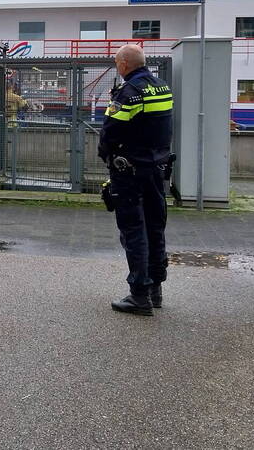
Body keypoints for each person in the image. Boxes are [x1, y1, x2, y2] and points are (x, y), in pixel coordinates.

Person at [98, 44, 174, 316]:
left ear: (123, 65)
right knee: (155, 227)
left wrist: (105, 155)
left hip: (129, 171)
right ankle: (156, 289)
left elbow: (110, 131)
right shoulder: (161, 87)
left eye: (117, 63)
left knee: (134, 230)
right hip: (156, 168)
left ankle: (139, 295)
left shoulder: (129, 93)